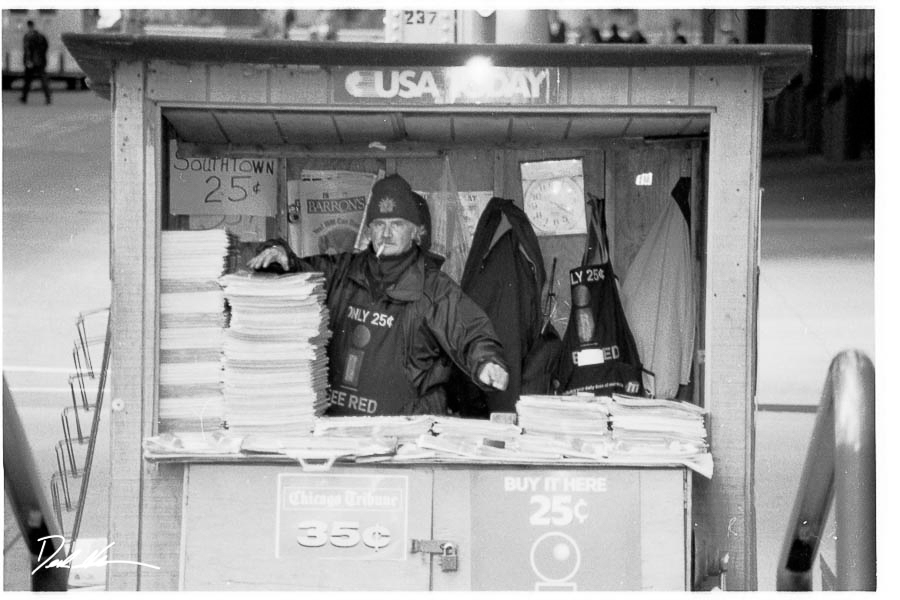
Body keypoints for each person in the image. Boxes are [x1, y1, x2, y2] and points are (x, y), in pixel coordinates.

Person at [248, 174, 509, 417]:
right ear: (369, 231)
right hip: (340, 437)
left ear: (415, 232)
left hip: (406, 442)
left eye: (397, 224)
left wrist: (487, 361)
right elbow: (299, 270)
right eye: (379, 224)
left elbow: (470, 330)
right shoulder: (340, 273)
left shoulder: (434, 289)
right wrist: (279, 254)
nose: (386, 233)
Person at [21, 20, 51, 105]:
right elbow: (46, 47)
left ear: (29, 26)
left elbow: (27, 51)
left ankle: (24, 97)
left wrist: (27, 61)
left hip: (31, 62)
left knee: (28, 80)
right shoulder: (41, 36)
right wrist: (42, 57)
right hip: (40, 61)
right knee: (43, 80)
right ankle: (48, 98)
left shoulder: (27, 37)